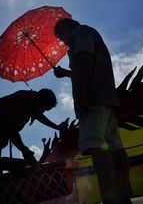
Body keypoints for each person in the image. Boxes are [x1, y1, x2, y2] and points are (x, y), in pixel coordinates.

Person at [54, 18, 132, 204]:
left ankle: (110, 199)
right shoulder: (88, 35)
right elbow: (85, 65)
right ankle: (124, 196)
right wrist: (66, 73)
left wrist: (81, 95)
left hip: (92, 101)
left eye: (61, 36)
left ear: (67, 29)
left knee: (96, 148)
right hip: (106, 99)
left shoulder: (81, 33)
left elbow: (84, 60)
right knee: (115, 148)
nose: (62, 42)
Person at [0, 88, 67, 191]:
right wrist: (25, 151)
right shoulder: (22, 102)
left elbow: (39, 116)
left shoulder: (32, 102)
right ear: (39, 102)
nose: (43, 112)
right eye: (44, 109)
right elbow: (11, 131)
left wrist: (56, 127)